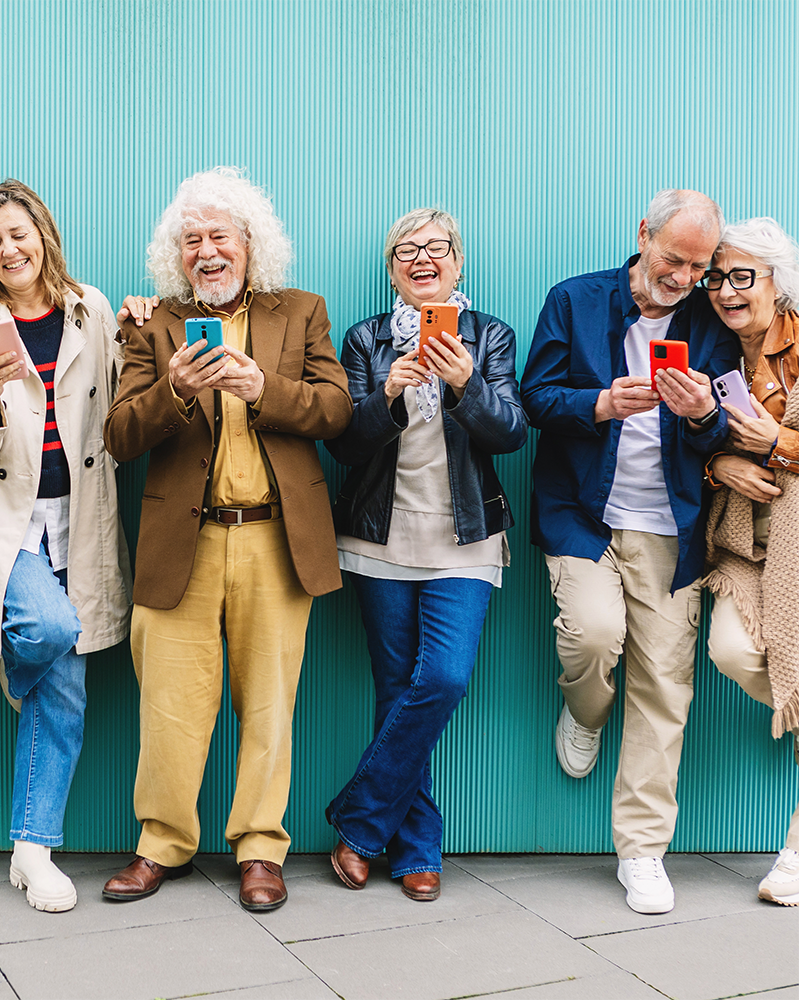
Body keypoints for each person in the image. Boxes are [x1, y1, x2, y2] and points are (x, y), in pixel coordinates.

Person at [101, 167, 351, 912]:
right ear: (176, 255)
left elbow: (338, 411)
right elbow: (118, 436)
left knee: (271, 705)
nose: (207, 252)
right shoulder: (151, 324)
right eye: (192, 240)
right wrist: (175, 388)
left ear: (250, 243)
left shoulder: (302, 312)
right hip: (184, 541)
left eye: (220, 236)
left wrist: (260, 391)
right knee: (170, 707)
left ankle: (260, 850)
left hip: (276, 543)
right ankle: (161, 845)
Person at [521, 189, 737, 914]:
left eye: (698, 267)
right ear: (642, 234)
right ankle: (585, 710)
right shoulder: (576, 300)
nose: (683, 277)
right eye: (674, 259)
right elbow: (533, 399)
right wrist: (599, 405)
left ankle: (642, 852)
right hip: (583, 512)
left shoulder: (711, 325)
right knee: (592, 635)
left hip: (670, 526)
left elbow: (722, 437)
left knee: (666, 686)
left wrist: (703, 413)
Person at [0, 180, 132, 912]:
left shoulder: (92, 308)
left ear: (42, 232)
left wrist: (142, 328)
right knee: (50, 632)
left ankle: (31, 849)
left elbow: (123, 401)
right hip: (1, 525)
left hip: (79, 521)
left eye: (19, 233)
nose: (9, 249)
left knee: (67, 687)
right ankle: (23, 661)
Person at [323, 208, 527, 901]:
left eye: (435, 249)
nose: (421, 260)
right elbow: (345, 445)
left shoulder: (489, 335)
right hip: (380, 538)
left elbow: (510, 435)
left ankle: (358, 821)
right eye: (405, 252)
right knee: (395, 689)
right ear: (391, 272)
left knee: (441, 678)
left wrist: (466, 381)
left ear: (458, 264)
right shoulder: (366, 340)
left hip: (465, 541)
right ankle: (416, 848)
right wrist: (385, 393)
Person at [701, 217, 799, 905]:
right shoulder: (710, 351)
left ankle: (794, 855)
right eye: (717, 278)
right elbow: (681, 444)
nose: (727, 292)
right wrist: (721, 462)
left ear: (776, 280)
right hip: (743, 545)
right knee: (731, 649)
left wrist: (780, 444)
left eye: (743, 276)